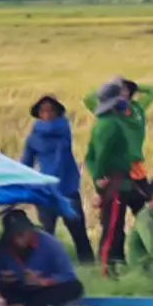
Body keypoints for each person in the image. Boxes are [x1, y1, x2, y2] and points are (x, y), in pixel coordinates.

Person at [20, 95, 95, 264]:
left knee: (78, 231)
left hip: (67, 189)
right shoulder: (33, 138)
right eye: (43, 111)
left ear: (57, 112)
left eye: (51, 111)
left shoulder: (63, 130)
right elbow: (26, 163)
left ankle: (89, 265)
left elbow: (55, 131)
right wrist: (24, 185)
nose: (47, 115)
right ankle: (45, 265)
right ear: (38, 114)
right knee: (47, 233)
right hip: (46, 191)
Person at [84, 76, 153, 213]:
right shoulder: (109, 114)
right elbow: (87, 99)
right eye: (117, 91)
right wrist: (108, 87)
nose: (121, 93)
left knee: (144, 208)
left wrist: (134, 85)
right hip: (118, 167)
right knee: (115, 210)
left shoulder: (137, 109)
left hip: (136, 165)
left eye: (124, 90)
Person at [85, 81, 136, 277]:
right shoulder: (111, 125)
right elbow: (100, 157)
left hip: (116, 181)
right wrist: (100, 181)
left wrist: (98, 178)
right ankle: (105, 271)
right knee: (112, 229)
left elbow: (90, 156)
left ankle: (114, 266)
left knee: (114, 225)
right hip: (114, 183)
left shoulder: (104, 123)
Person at [0, 209, 84, 306]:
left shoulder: (51, 244)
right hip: (19, 289)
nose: (17, 240)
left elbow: (68, 275)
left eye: (21, 235)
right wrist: (3, 278)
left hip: (43, 290)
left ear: (31, 231)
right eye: (12, 236)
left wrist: (42, 281)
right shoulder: (1, 247)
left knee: (74, 287)